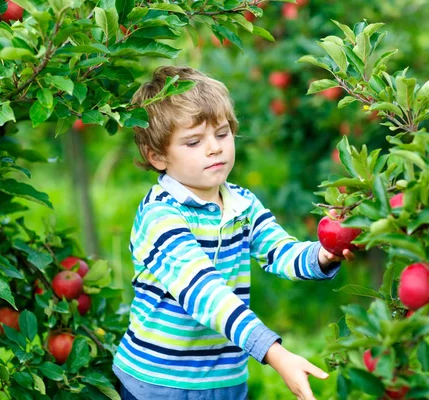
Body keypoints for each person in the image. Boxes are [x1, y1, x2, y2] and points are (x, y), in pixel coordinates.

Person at [112, 66, 355, 400]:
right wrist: (275, 353)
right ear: (157, 156)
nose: (214, 148)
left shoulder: (242, 202)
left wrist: (323, 254)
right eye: (194, 141)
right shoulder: (160, 216)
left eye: (222, 134)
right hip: (159, 383)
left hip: (225, 382)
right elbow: (205, 294)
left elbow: (280, 251)